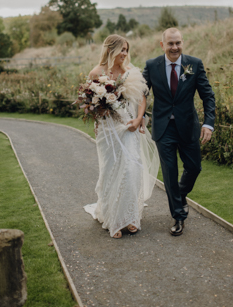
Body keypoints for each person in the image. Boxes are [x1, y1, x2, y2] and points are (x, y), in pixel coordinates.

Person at [84, 34, 160, 239]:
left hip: (128, 127)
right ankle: (113, 220)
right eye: (122, 49)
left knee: (131, 169)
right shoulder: (96, 73)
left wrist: (138, 119)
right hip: (108, 131)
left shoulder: (131, 72)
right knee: (110, 171)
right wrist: (96, 119)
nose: (125, 54)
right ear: (110, 50)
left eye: (127, 49)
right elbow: (91, 104)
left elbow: (142, 97)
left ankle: (130, 218)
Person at [142, 27, 215, 236]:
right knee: (170, 173)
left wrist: (208, 123)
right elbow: (141, 94)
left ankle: (180, 195)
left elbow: (208, 96)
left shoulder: (194, 64)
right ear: (162, 44)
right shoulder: (152, 66)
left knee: (194, 168)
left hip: (187, 126)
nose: (175, 47)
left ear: (182, 43)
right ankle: (178, 216)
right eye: (170, 43)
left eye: (178, 43)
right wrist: (140, 117)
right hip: (163, 128)